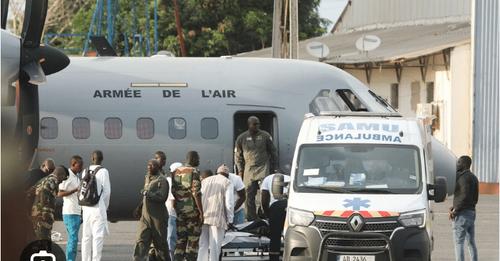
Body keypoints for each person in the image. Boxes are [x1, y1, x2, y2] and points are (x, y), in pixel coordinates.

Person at [235, 116, 278, 221]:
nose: (257, 126)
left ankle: (265, 214)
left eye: (258, 124)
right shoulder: (242, 138)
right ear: (249, 125)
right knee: (248, 194)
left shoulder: (265, 136)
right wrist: (240, 171)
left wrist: (274, 168)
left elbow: (273, 151)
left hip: (263, 166)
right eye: (255, 124)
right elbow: (238, 156)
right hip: (249, 168)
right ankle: (251, 217)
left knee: (265, 193)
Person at [134, 159, 170, 261]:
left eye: (152, 165)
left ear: (158, 167)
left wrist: (148, 194)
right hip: (145, 218)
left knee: (161, 246)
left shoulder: (162, 180)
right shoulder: (147, 178)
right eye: (148, 165)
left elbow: (162, 197)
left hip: (158, 219)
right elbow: (144, 196)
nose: (149, 167)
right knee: (140, 241)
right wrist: (140, 207)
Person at [198, 164, 234, 261]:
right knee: (215, 247)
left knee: (202, 246)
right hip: (218, 219)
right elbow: (229, 204)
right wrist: (230, 220)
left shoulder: (205, 181)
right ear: (228, 175)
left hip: (203, 217)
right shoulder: (227, 182)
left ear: (217, 173)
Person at [172, 151, 203, 261]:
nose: (199, 160)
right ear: (193, 159)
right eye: (198, 158)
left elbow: (174, 192)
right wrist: (201, 212)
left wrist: (177, 208)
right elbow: (196, 193)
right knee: (193, 239)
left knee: (181, 239)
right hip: (192, 211)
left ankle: (177, 258)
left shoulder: (176, 172)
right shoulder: (194, 171)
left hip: (180, 210)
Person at [81, 150, 111, 261]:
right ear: (101, 159)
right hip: (98, 208)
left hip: (86, 208)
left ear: (92, 158)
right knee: (97, 236)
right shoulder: (103, 171)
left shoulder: (85, 171)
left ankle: (85, 259)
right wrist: (105, 207)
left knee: (86, 237)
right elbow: (107, 192)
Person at [449, 156, 479, 261]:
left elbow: (464, 195)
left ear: (464, 164)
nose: (457, 164)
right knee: (471, 242)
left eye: (459, 162)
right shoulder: (474, 177)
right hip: (471, 213)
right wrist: (455, 206)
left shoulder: (462, 178)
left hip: (462, 214)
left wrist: (455, 210)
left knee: (459, 242)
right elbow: (475, 198)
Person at [31, 166, 69, 240]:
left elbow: (30, 193)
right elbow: (43, 195)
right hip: (43, 217)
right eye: (63, 179)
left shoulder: (43, 179)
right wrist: (45, 216)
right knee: (44, 240)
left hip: (36, 215)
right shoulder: (53, 180)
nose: (62, 181)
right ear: (61, 175)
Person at [58, 156, 84, 261]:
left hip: (76, 212)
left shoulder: (76, 176)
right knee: (73, 239)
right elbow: (59, 193)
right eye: (80, 165)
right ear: (73, 164)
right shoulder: (67, 177)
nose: (82, 167)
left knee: (73, 238)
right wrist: (74, 190)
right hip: (70, 212)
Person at [261, 173, 291, 261]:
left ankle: (274, 257)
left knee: (275, 236)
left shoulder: (267, 178)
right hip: (291, 205)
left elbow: (264, 200)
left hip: (276, 207)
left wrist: (268, 216)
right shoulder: (291, 176)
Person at [167, 162, 182, 260]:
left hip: (168, 213)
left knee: (170, 238)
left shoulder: (167, 180)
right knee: (172, 239)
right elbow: (173, 202)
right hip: (172, 214)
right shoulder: (174, 181)